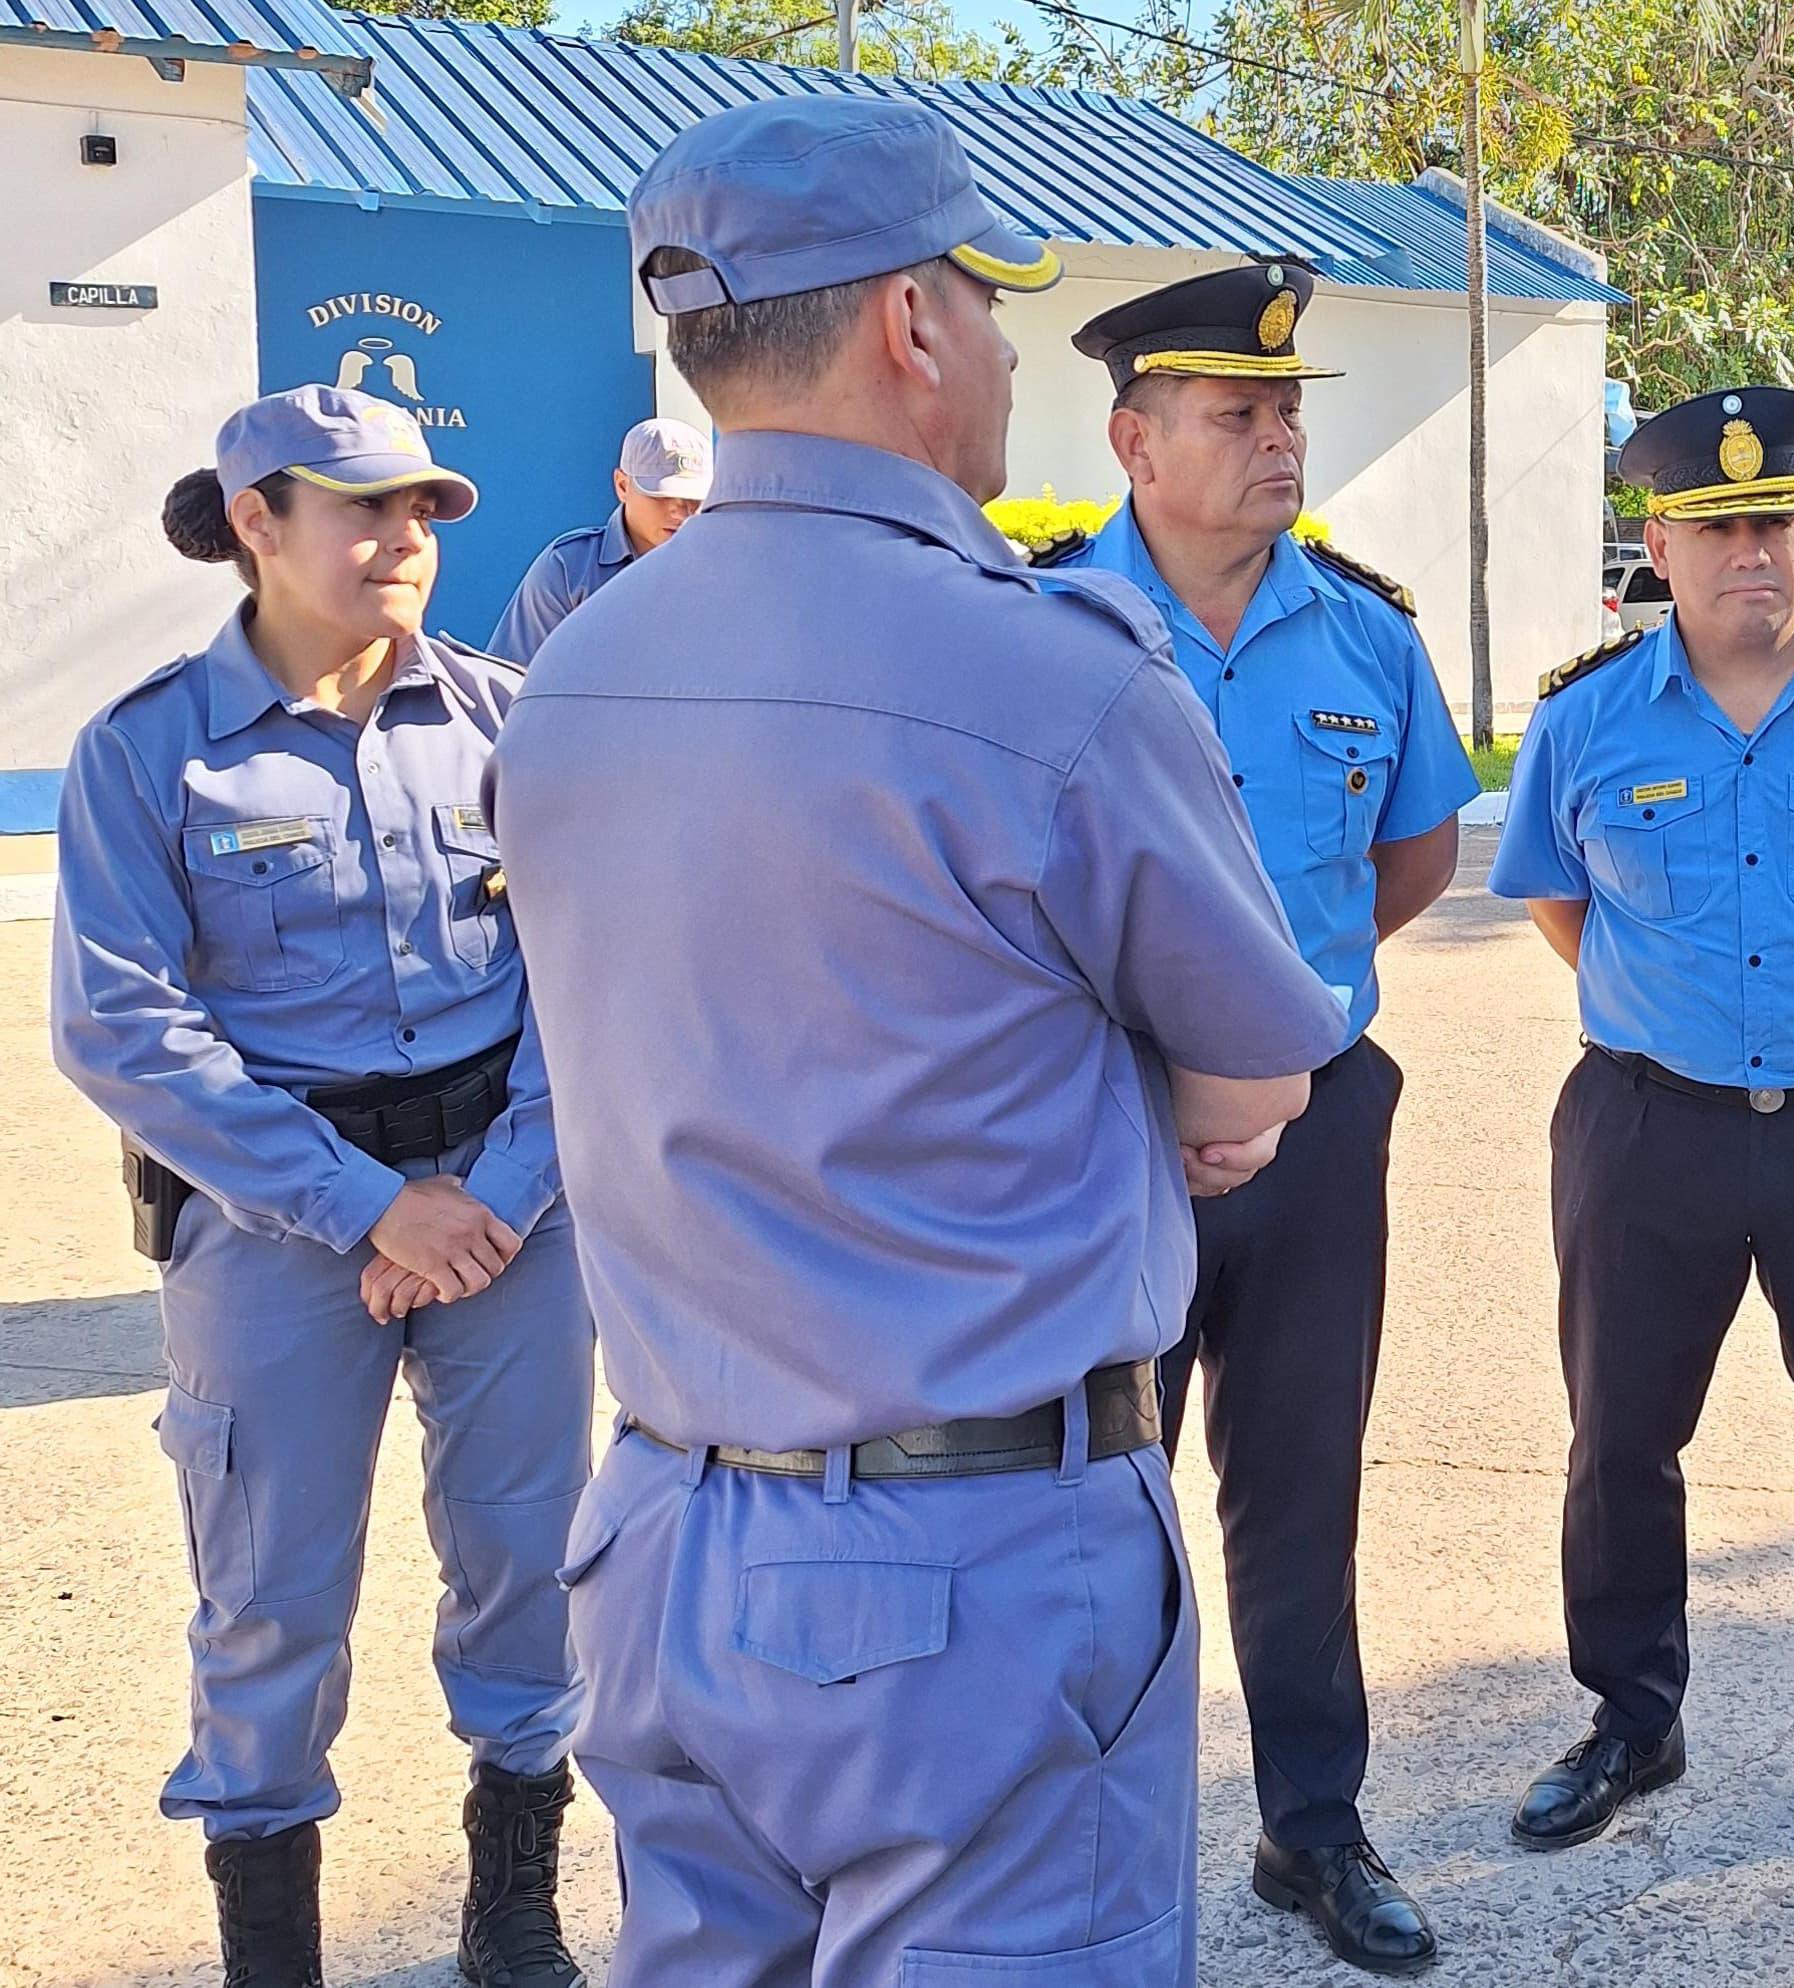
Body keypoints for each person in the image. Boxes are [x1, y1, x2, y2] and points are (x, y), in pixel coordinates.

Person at [487, 97, 1349, 1985]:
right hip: (965, 1571)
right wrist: (1138, 1100)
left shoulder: (573, 673)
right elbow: (1256, 1080)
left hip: (661, 1537)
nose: (1007, 348)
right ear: (908, 322)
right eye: (987, 299)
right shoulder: (1049, 669)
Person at [50, 384, 593, 1988]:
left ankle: (514, 1912)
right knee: (271, 1593)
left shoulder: (510, 722)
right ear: (255, 524)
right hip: (278, 1226)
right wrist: (371, 1208)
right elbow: (122, 1026)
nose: (403, 537)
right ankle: (272, 1950)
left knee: (531, 1560)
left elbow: (590, 976)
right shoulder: (148, 751)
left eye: (422, 508)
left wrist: (499, 1190)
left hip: (509, 1205)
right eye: (362, 506)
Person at [1042, 257, 1475, 1977]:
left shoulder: (1367, 634)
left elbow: (1412, 857)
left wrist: (1279, 1041)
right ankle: (1082, 1835)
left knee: (1299, 1483)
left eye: (1288, 412)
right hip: (1101, 1133)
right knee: (1089, 1497)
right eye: (1238, 414)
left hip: (1315, 1127)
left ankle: (1314, 1822)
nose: (1279, 439)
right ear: (1134, 440)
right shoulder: (1045, 630)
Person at [1487, 386, 1794, 1881]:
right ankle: (1632, 1720)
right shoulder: (1584, 719)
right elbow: (1558, 900)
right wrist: (1676, 1018)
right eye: (1715, 529)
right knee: (1621, 1440)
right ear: (1659, 546)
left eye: (1775, 521)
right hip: (1649, 1129)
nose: (1750, 552)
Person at [485, 417, 712, 662]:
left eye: (693, 498)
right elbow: (514, 674)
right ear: (623, 486)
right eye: (661, 495)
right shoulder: (569, 568)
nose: (679, 510)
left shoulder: (723, 569)